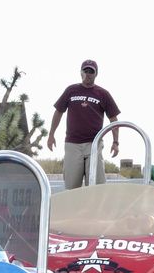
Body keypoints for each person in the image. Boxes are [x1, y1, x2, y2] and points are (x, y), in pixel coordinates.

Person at [47, 60, 121, 189]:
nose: (88, 74)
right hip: (72, 144)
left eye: (91, 71)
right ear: (81, 73)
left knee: (96, 187)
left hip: (94, 144)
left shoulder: (103, 94)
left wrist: (116, 143)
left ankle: (95, 209)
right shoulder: (71, 90)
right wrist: (51, 134)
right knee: (72, 187)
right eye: (85, 71)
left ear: (96, 74)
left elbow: (114, 119)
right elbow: (58, 112)